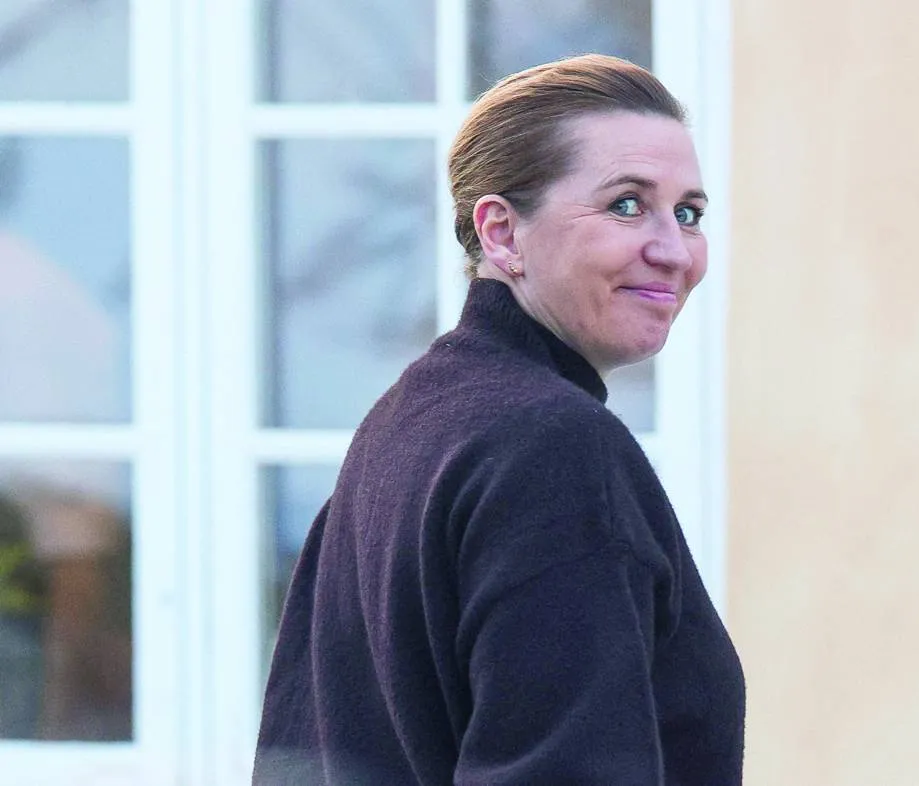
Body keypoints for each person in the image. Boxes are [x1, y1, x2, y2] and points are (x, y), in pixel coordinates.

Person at [254, 54, 746, 785]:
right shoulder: (553, 447)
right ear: (503, 234)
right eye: (625, 205)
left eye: (688, 214)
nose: (673, 251)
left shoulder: (408, 423)